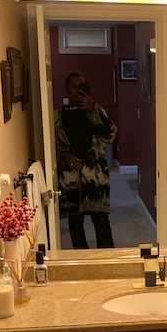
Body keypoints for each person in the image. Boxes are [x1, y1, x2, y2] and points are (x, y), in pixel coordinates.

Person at [55, 72, 117, 249]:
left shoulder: (96, 110)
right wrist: (64, 154)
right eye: (73, 86)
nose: (77, 90)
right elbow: (51, 144)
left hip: (95, 180)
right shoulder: (58, 115)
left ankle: (108, 265)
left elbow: (110, 135)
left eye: (81, 86)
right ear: (67, 90)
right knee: (75, 226)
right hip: (71, 181)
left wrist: (93, 110)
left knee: (102, 225)